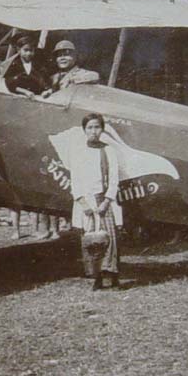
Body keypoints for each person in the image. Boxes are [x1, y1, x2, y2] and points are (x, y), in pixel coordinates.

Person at [67, 113, 121, 290]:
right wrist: (83, 203)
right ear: (84, 130)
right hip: (86, 202)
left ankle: (109, 275)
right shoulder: (78, 151)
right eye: (89, 127)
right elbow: (75, 179)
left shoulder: (109, 151)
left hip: (103, 200)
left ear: (102, 129)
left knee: (108, 239)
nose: (93, 131)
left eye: (97, 127)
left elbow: (113, 179)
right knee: (91, 241)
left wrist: (106, 201)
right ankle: (95, 275)